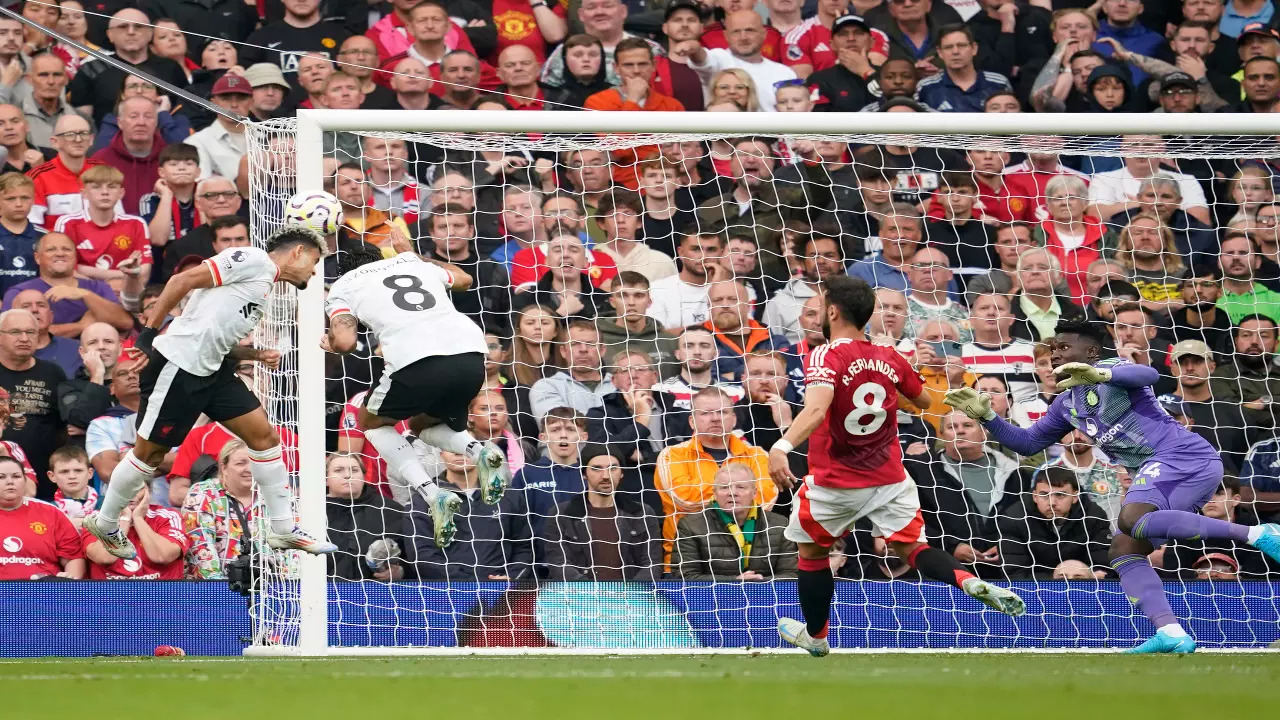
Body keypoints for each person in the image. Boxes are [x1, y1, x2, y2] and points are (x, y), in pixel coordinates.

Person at [944, 318, 1280, 653]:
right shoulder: (1065, 403)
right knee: (1123, 549)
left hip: (1182, 455)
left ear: (1090, 351)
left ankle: (1258, 534)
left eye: (1064, 347)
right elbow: (1029, 443)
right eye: (1052, 349)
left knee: (1130, 519)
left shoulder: (1112, 371)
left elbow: (1148, 375)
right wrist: (988, 418)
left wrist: (1101, 374)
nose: (1056, 355)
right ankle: (1171, 632)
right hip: (1170, 471)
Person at [769, 275, 1025, 657]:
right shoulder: (888, 356)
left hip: (835, 480)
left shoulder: (824, 354)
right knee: (911, 548)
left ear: (833, 311)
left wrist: (782, 444)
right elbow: (923, 401)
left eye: (822, 306)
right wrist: (892, 362)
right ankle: (967, 581)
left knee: (812, 555)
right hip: (889, 476)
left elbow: (818, 407)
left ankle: (817, 638)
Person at [82, 226, 334, 560]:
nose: (314, 271)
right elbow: (179, 282)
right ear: (298, 252)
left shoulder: (262, 289)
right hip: (180, 367)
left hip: (214, 371)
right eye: (314, 262)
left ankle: (282, 529)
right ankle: (106, 520)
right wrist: (148, 333)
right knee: (149, 455)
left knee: (265, 439)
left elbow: (217, 339)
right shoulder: (254, 260)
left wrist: (256, 355)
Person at [324, 244, 510, 549]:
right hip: (472, 354)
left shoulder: (344, 285)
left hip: (416, 360)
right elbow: (465, 279)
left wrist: (329, 340)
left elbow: (345, 342)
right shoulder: (412, 263)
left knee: (369, 422)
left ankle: (432, 494)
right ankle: (479, 453)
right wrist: (411, 253)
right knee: (422, 425)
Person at [541, 443, 661, 581]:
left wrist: (631, 595)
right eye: (597, 469)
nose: (605, 475)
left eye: (613, 468)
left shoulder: (643, 513)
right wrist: (592, 597)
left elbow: (652, 564)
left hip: (633, 599)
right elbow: (559, 565)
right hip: (581, 599)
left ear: (622, 473)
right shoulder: (561, 514)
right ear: (584, 474)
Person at [675, 463, 797, 581]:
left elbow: (791, 574)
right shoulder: (691, 526)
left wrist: (757, 584)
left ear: (754, 493)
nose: (732, 493)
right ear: (715, 493)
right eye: (724, 487)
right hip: (713, 599)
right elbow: (685, 576)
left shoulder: (779, 524)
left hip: (767, 597)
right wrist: (735, 582)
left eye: (741, 487)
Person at [996, 466, 1112, 580]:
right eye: (1044, 495)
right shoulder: (1013, 519)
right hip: (1036, 591)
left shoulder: (1094, 516)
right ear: (1035, 496)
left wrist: (1084, 575)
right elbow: (1013, 575)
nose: (1052, 503)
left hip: (1085, 586)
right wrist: (1056, 577)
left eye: (1060, 495)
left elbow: (1104, 568)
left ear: (1075, 497)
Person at [673, 10, 798, 112]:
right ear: (726, 36)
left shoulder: (784, 73)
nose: (743, 37)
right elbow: (702, 60)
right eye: (736, 32)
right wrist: (694, 48)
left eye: (750, 30)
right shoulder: (720, 58)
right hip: (726, 140)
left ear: (764, 34)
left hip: (773, 139)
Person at [55, 164, 151, 284]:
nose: (105, 192)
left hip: (124, 294)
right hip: (80, 294)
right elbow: (64, 271)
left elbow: (144, 274)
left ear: (121, 193)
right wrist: (124, 273)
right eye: (96, 187)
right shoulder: (68, 223)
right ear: (83, 193)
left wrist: (84, 269)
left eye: (112, 187)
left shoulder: (136, 224)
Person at [325, 452, 412, 581]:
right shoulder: (310, 512)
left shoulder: (390, 510)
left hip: (376, 592)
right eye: (338, 470)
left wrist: (401, 571)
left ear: (364, 476)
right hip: (321, 592)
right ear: (326, 479)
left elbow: (414, 556)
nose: (348, 475)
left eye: (354, 470)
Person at [0, 456, 83, 579]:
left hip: (43, 593)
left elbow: (74, 557)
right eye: (1, 477)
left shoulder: (51, 512)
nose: (10, 482)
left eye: (16, 476)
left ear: (25, 480)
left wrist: (68, 588)